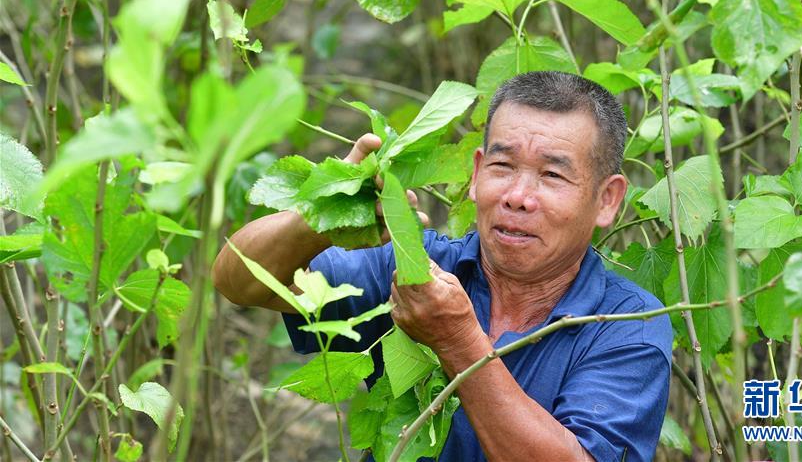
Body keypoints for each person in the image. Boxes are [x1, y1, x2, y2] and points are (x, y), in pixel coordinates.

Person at [213, 71, 673, 461]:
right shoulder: (415, 269)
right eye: (502, 165)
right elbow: (238, 280)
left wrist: (457, 339)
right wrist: (325, 216)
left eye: (552, 175)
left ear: (607, 199)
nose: (517, 196)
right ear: (475, 175)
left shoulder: (627, 325)